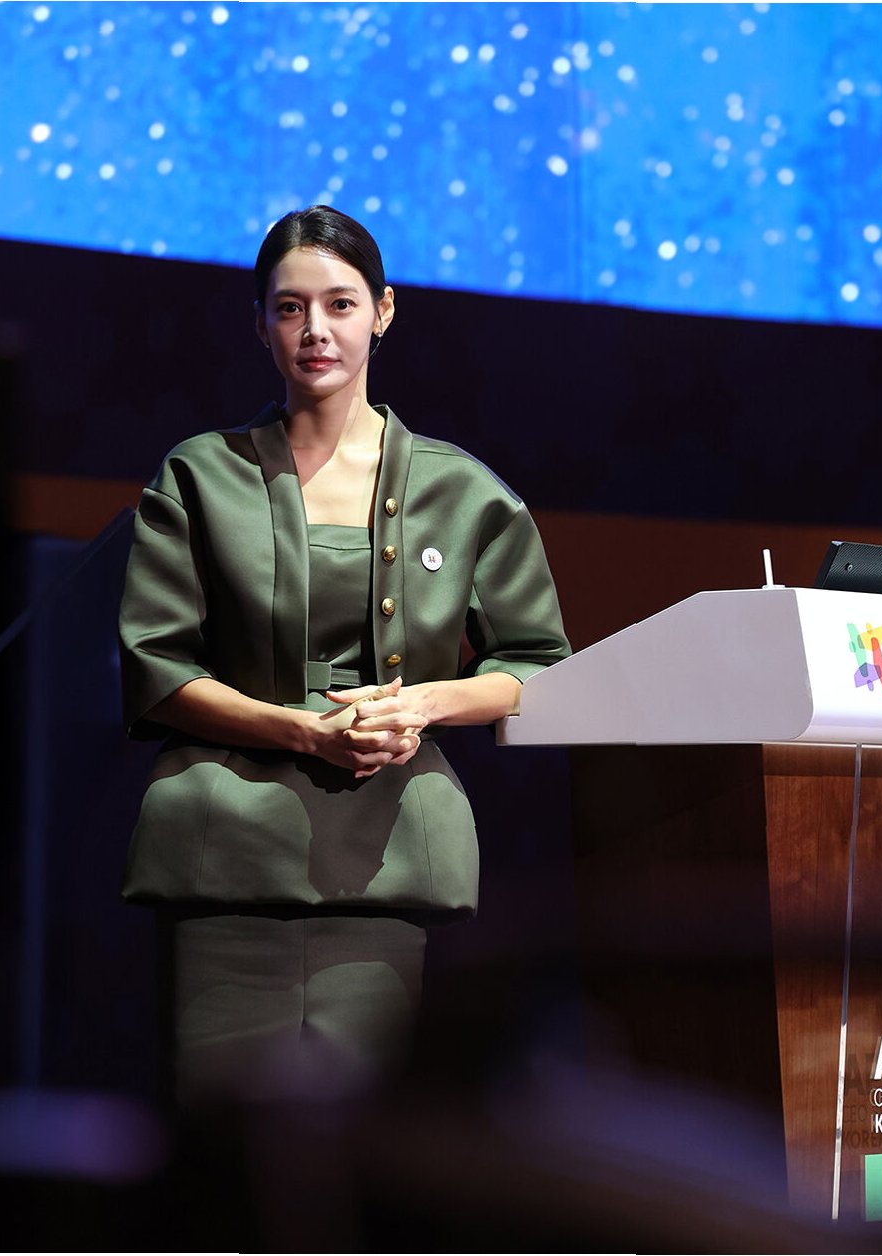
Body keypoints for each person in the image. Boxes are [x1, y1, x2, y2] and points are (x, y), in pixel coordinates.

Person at [119, 205, 570, 1122]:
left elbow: (538, 667)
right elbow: (157, 668)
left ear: (383, 311)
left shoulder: (463, 490)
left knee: (368, 1154)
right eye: (289, 308)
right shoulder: (198, 476)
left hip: (390, 859)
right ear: (260, 324)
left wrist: (422, 705)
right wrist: (303, 733)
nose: (315, 330)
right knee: (220, 1150)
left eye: (339, 303)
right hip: (227, 855)